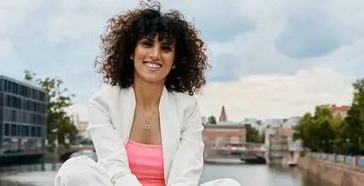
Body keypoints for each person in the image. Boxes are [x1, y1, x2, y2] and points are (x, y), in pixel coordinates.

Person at [54, 1, 241, 186]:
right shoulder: (103, 103)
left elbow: (185, 177)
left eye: (166, 48)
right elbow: (114, 169)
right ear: (131, 52)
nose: (155, 54)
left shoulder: (187, 108)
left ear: (175, 60)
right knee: (74, 170)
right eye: (147, 44)